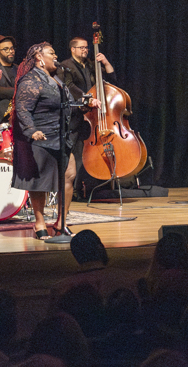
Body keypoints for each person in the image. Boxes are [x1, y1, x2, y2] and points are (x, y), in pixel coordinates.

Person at [11, 42, 98, 239]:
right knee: (40, 182)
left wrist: (85, 104)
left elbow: (65, 105)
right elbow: (22, 108)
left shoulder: (55, 79)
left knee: (69, 175)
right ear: (40, 58)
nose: (56, 55)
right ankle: (39, 223)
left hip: (61, 136)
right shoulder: (30, 80)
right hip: (41, 136)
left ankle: (61, 222)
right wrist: (31, 130)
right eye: (52, 53)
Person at [59, 36, 116, 195]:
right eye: (82, 47)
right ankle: (70, 189)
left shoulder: (92, 65)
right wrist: (88, 99)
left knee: (86, 153)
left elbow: (111, 79)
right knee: (73, 153)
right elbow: (69, 87)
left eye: (86, 47)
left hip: (92, 117)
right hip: (76, 114)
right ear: (73, 49)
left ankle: (85, 187)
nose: (85, 50)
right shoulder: (65, 66)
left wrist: (105, 62)